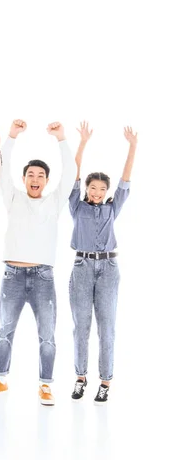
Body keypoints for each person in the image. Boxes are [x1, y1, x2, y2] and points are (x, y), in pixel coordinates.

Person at [0, 120, 76, 405]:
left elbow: (70, 173)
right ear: (25, 180)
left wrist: (61, 139)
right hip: (13, 276)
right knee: (4, 329)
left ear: (46, 180)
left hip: (43, 277)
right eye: (30, 175)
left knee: (47, 334)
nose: (35, 179)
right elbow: (6, 168)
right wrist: (11, 137)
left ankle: (45, 385)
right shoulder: (13, 197)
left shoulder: (54, 202)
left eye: (40, 175)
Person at [69, 122, 137, 405]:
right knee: (81, 326)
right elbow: (72, 175)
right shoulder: (76, 206)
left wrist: (132, 146)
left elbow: (125, 181)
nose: (97, 192)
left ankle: (105, 381)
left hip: (109, 269)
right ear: (86, 189)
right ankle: (80, 377)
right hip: (82, 268)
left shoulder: (112, 207)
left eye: (101, 189)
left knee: (106, 326)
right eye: (93, 188)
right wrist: (82, 143)